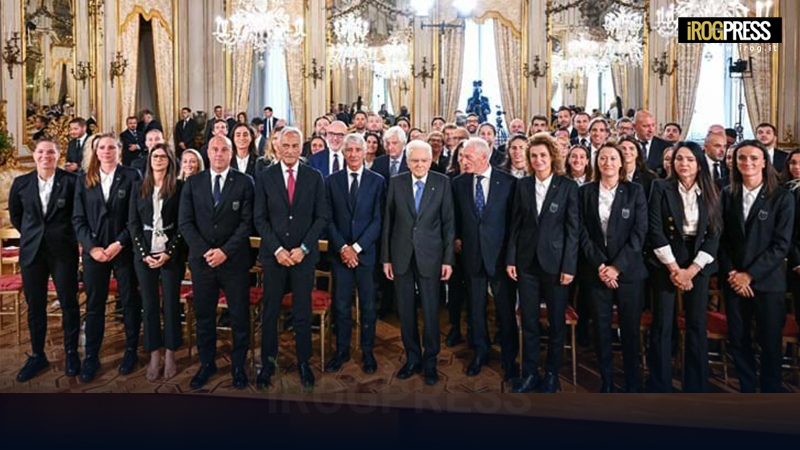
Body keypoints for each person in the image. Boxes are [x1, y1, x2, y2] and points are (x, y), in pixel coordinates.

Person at [254, 127, 330, 389]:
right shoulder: (265, 177)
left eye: (295, 145)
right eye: (285, 145)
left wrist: (303, 248)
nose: (289, 150)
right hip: (274, 257)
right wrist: (277, 250)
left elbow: (322, 217)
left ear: (301, 148)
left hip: (302, 258)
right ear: (277, 147)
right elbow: (259, 218)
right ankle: (268, 363)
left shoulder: (314, 177)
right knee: (270, 312)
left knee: (302, 313)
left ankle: (303, 363)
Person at [179, 135, 255, 390]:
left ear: (231, 154)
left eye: (224, 149)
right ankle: (206, 363)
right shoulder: (193, 183)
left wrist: (224, 251)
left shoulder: (245, 182)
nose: (219, 153)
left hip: (234, 262)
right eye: (215, 149)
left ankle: (238, 366)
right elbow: (185, 223)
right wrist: (207, 252)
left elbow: (247, 223)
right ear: (208, 153)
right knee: (204, 317)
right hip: (203, 264)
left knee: (239, 316)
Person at [719, 140, 795, 393]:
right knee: (739, 340)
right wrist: (733, 273)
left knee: (770, 342)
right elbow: (721, 240)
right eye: (741, 158)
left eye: (753, 158)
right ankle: (747, 391)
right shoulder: (727, 194)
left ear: (764, 162)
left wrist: (749, 275)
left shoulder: (782, 197)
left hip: (767, 282)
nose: (747, 162)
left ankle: (770, 394)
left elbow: (781, 245)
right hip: (734, 282)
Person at [506, 135, 579, 393]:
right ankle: (529, 373)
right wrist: (511, 258)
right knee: (529, 322)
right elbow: (515, 225)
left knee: (556, 324)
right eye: (534, 155)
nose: (538, 160)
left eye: (543, 155)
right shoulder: (522, 185)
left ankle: (551, 374)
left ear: (552, 157)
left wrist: (569, 266)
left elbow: (573, 230)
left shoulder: (567, 186)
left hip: (556, 265)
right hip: (526, 264)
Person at [648, 141, 721, 393]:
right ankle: (660, 385)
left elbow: (714, 235)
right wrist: (674, 269)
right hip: (665, 258)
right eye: (679, 159)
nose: (684, 164)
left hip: (698, 261)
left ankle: (696, 386)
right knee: (662, 323)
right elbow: (655, 230)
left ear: (699, 164)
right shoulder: (660, 187)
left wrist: (691, 271)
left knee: (696, 324)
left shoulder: (713, 190)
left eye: (690, 159)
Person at [382, 140, 455, 385]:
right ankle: (412, 358)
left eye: (424, 160)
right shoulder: (396, 182)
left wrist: (448, 260)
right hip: (401, 255)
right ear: (407, 161)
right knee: (405, 310)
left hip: (431, 256)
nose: (420, 165)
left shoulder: (442, 183)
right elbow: (388, 222)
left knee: (431, 311)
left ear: (431, 161)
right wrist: (386, 258)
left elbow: (449, 224)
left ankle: (430, 361)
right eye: (415, 161)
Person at [72, 133, 143, 383]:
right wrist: (92, 248)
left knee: (129, 301)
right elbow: (77, 219)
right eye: (101, 147)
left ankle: (131, 351)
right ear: (95, 151)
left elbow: (136, 217)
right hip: (94, 252)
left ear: (119, 150)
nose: (106, 151)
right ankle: (91, 356)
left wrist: (119, 243)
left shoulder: (132, 176)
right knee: (94, 305)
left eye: (111, 147)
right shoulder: (83, 179)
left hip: (123, 250)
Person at [578, 143, 648, 392]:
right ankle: (606, 380)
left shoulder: (635, 191)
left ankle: (632, 381)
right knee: (600, 328)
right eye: (603, 158)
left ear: (621, 162)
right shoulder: (585, 192)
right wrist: (601, 265)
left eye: (613, 158)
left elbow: (639, 233)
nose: (607, 162)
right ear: (597, 162)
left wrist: (616, 267)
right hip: (596, 271)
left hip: (629, 272)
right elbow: (582, 232)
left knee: (630, 329)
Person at [9, 139, 80, 382]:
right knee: (35, 306)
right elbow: (17, 216)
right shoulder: (21, 183)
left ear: (58, 155)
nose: (45, 156)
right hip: (33, 253)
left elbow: (77, 215)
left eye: (50, 152)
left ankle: (72, 353)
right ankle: (38, 355)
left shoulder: (72, 181)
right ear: (34, 155)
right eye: (41, 152)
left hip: (63, 252)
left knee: (69, 303)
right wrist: (34, 235)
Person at [452, 138, 518, 380]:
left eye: (468, 157)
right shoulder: (458, 183)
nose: (463, 161)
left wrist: (511, 258)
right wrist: (457, 238)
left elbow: (515, 225)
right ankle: (481, 352)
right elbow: (455, 217)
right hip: (472, 256)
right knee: (475, 308)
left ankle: (510, 357)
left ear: (484, 156)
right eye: (462, 156)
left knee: (505, 310)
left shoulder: (509, 183)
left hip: (500, 258)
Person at [324, 133, 384, 374]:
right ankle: (342, 351)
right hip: (340, 255)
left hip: (365, 255)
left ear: (365, 152)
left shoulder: (377, 181)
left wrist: (356, 248)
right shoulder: (331, 181)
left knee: (368, 307)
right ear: (343, 152)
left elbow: (378, 220)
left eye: (357, 150)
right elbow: (328, 219)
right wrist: (343, 248)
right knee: (341, 306)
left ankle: (368, 352)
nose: (353, 154)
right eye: (349, 150)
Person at [128, 143, 185, 382]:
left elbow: (183, 223)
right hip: (145, 253)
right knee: (149, 305)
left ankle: (170, 353)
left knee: (171, 304)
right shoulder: (138, 186)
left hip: (171, 254)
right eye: (155, 156)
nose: (158, 160)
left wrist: (169, 252)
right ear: (149, 160)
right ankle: (154, 354)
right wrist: (143, 253)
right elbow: (132, 223)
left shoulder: (179, 187)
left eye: (163, 156)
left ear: (170, 161)